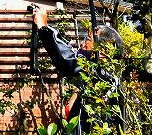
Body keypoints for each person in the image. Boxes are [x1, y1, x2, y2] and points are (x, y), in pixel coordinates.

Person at [32, 7, 122, 135]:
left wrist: (43, 28)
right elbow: (70, 55)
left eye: (88, 40)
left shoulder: (102, 76)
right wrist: (46, 27)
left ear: (103, 52)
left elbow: (70, 63)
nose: (82, 44)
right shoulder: (107, 77)